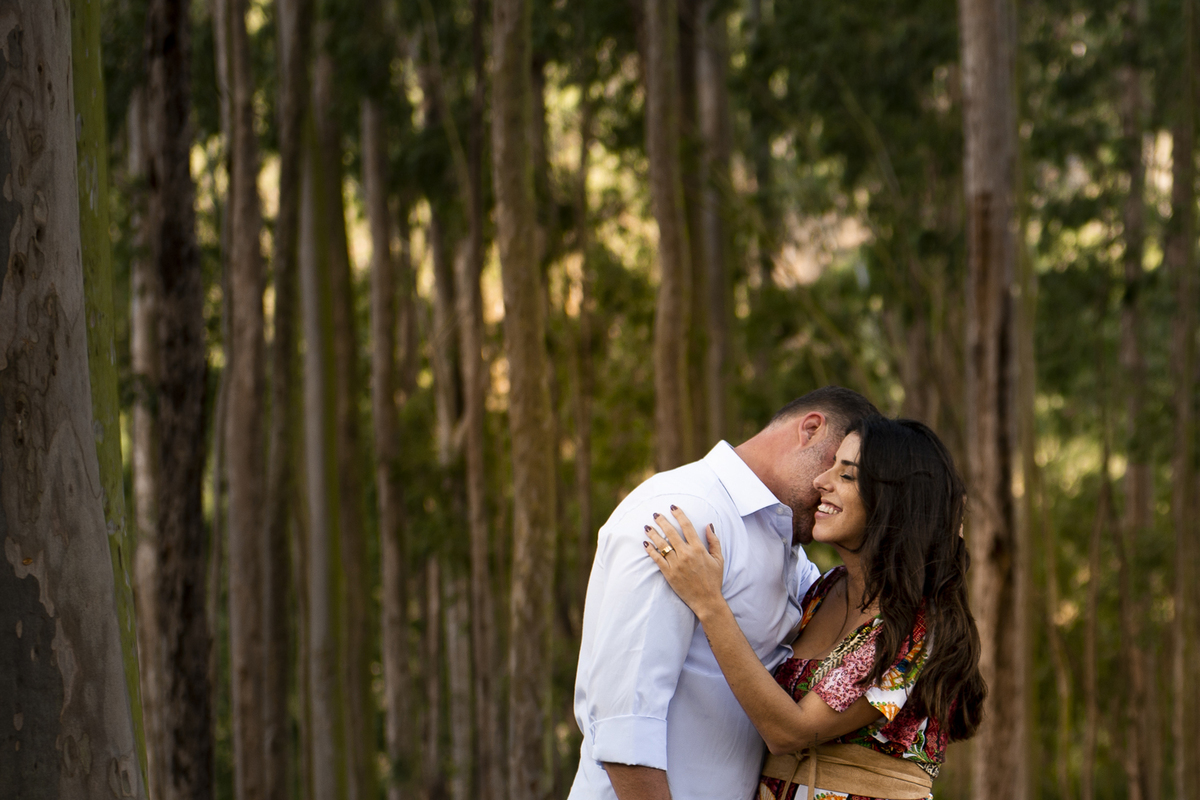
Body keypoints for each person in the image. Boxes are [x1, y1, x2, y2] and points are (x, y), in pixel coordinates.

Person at [643, 416, 987, 800]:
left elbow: (789, 732)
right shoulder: (824, 589)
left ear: (894, 501)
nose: (822, 481)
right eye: (831, 465)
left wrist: (709, 603)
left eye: (848, 475)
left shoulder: (916, 627)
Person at [568, 387, 880, 800]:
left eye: (847, 476)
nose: (828, 487)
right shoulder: (682, 514)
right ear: (810, 430)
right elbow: (625, 726)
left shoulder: (792, 551)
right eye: (836, 468)